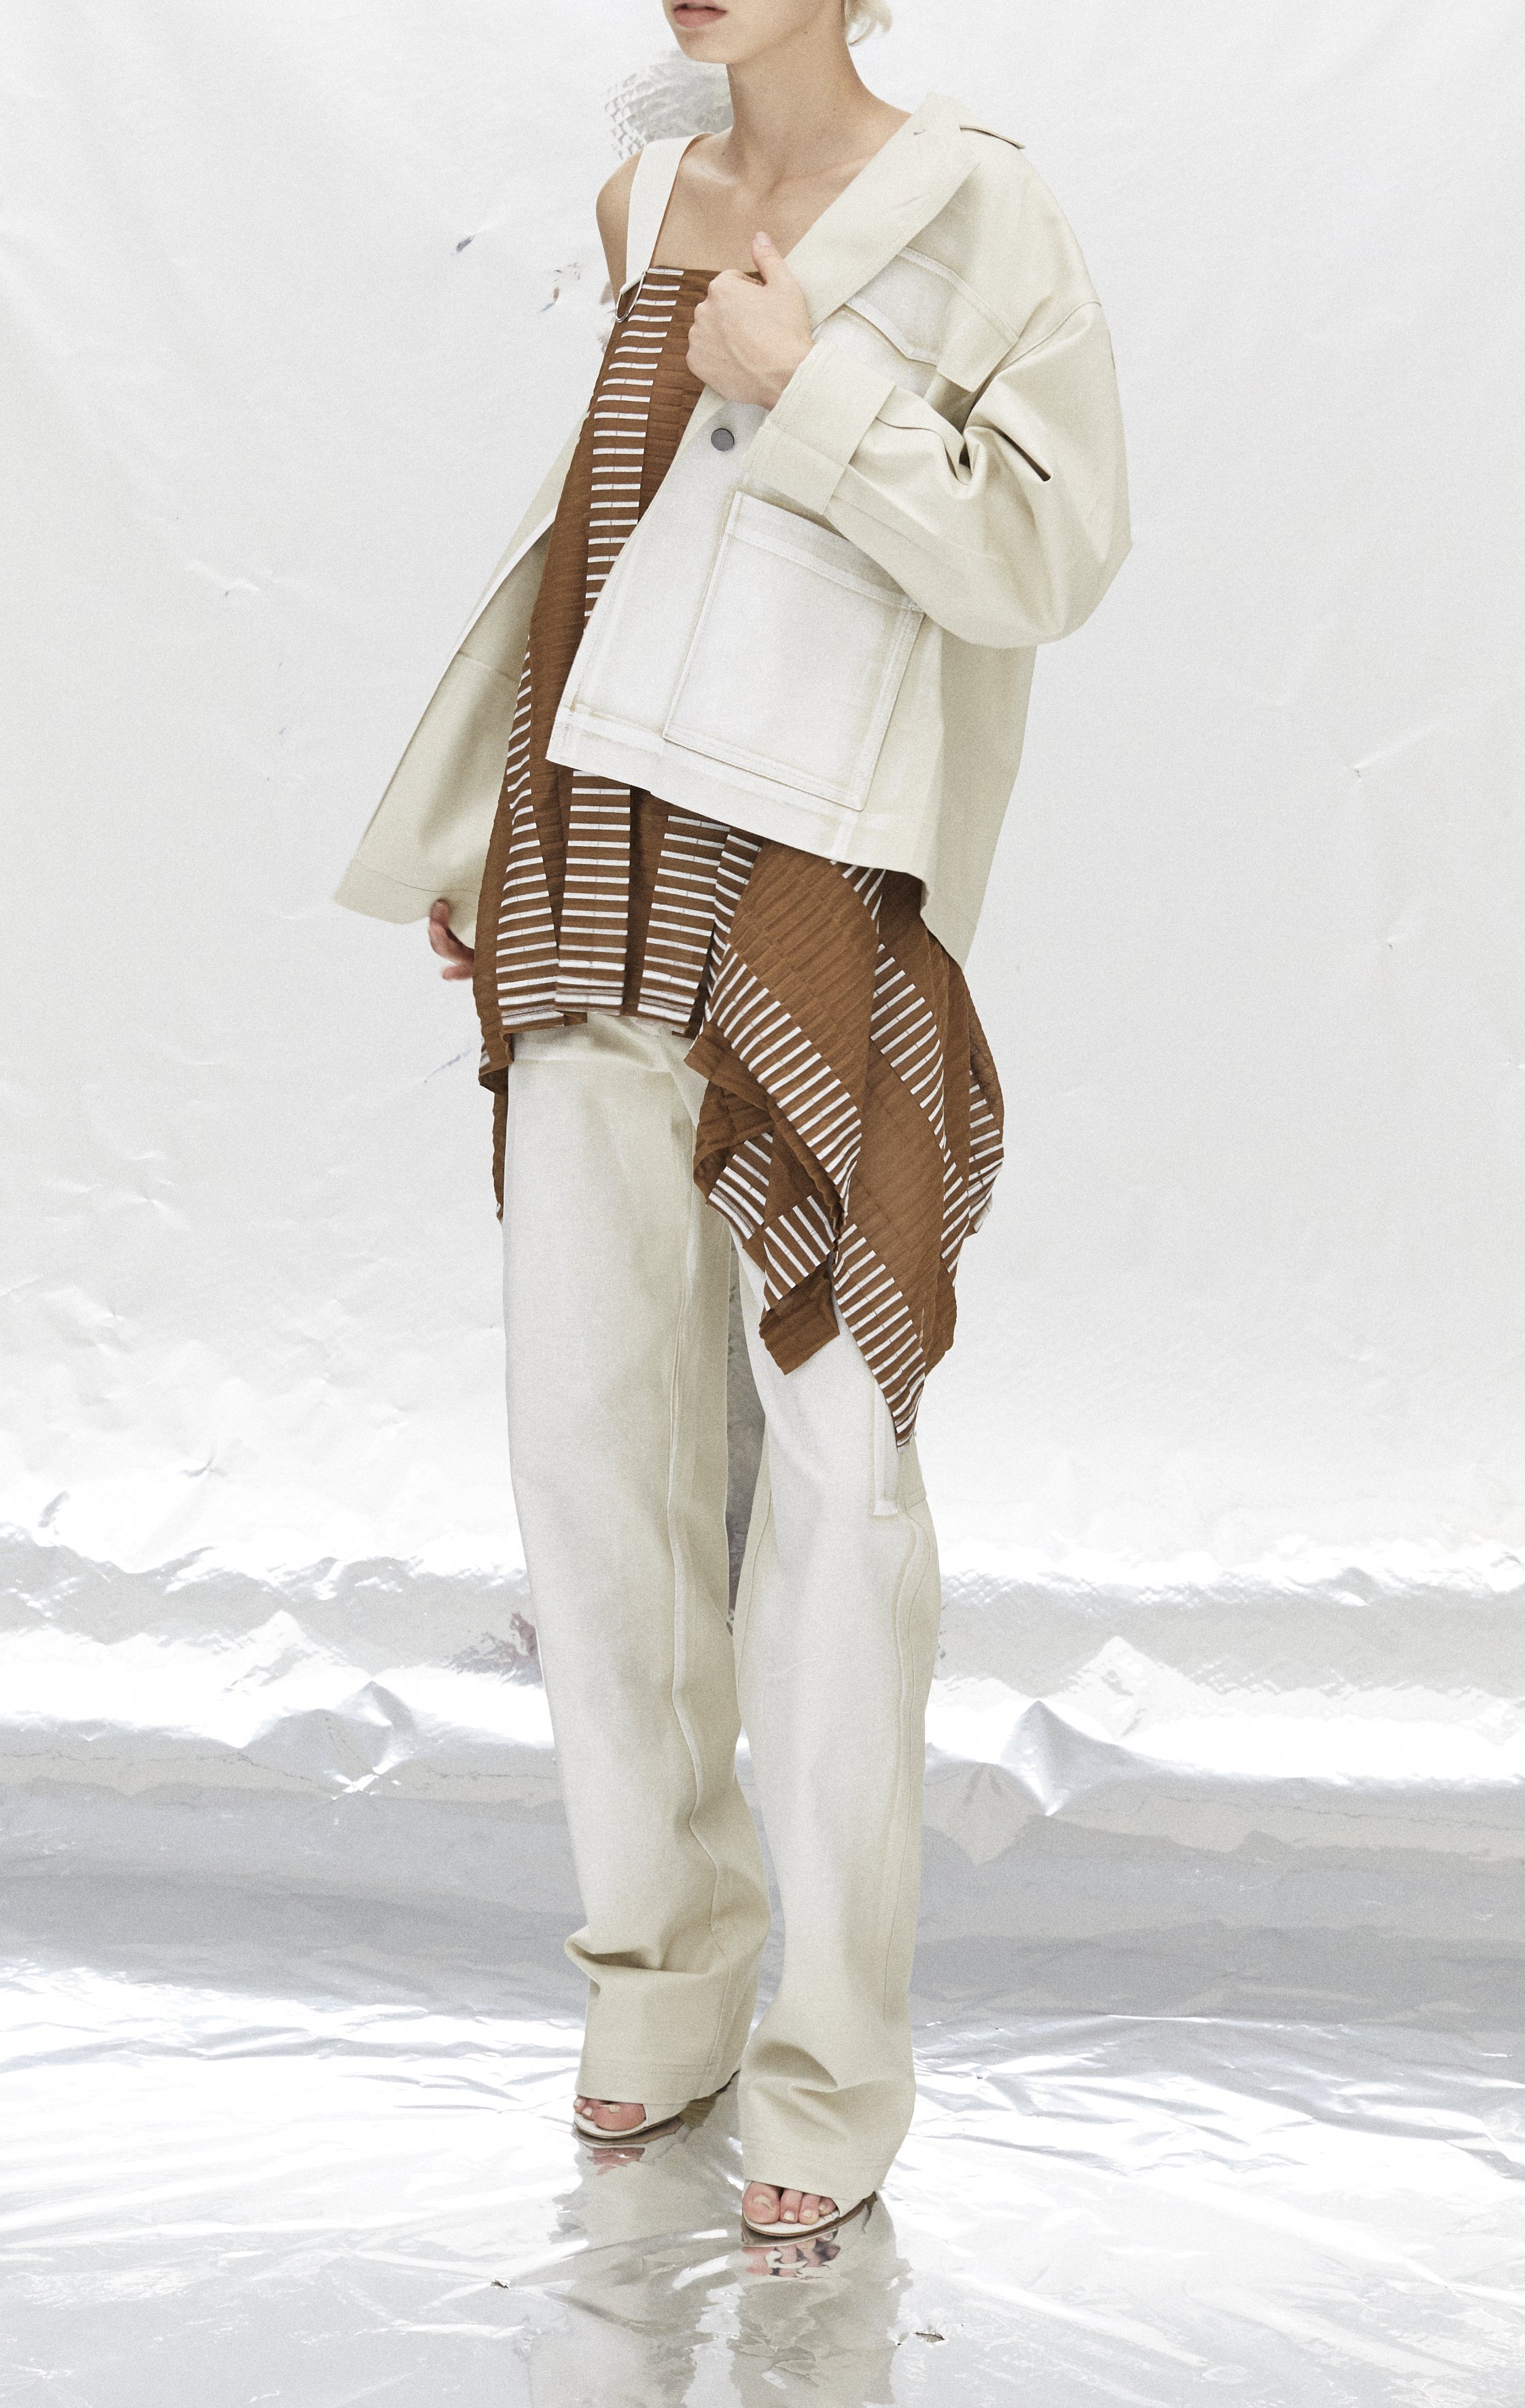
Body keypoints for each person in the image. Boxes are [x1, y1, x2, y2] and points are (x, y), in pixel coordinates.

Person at [335, 0, 1129, 2244]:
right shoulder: (641, 195)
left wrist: (818, 388)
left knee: (838, 1505)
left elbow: (1049, 564)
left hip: (808, 904)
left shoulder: (976, 209)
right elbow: (606, 537)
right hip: (588, 878)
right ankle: (661, 1987)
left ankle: (831, 2064)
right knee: (596, 1490)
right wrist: (493, 824)